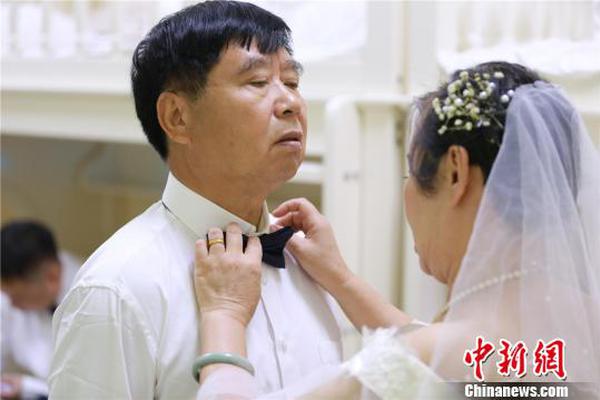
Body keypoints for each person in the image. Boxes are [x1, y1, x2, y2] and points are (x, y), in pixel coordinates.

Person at [192, 61, 600, 399]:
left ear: (455, 172)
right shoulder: (582, 328)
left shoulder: (412, 363)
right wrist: (342, 280)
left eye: (411, 173)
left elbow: (433, 359)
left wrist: (224, 316)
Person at [48, 1, 343, 399]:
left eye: (291, 82)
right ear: (177, 117)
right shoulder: (117, 288)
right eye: (258, 82)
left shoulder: (308, 260)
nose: (291, 103)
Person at [1, 220, 79, 400]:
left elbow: (85, 387)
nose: (11, 304)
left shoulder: (91, 300)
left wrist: (27, 386)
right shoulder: (13, 291)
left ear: (52, 277)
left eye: (17, 297)